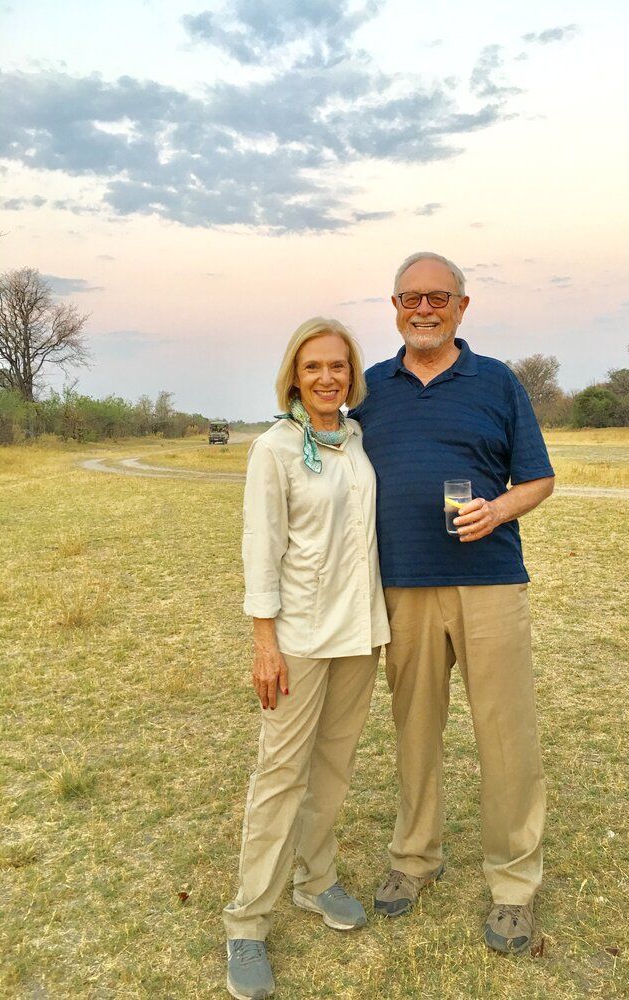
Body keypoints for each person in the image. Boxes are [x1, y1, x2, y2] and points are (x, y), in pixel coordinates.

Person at [349, 251, 555, 955]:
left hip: (489, 584)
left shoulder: (497, 382)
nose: (425, 308)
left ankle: (514, 885)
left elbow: (539, 480)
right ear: (395, 308)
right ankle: (414, 859)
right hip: (401, 584)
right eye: (411, 298)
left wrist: (497, 511)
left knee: (506, 736)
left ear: (463, 307)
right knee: (414, 730)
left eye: (439, 296)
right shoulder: (369, 389)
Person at [223, 318, 390, 1000]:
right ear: (295, 374)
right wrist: (265, 641)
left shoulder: (354, 439)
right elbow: (260, 547)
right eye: (315, 367)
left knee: (334, 765)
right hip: (298, 637)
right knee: (281, 774)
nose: (328, 378)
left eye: (340, 368)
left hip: (359, 632)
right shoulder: (275, 447)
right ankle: (246, 924)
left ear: (353, 378)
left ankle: (314, 880)